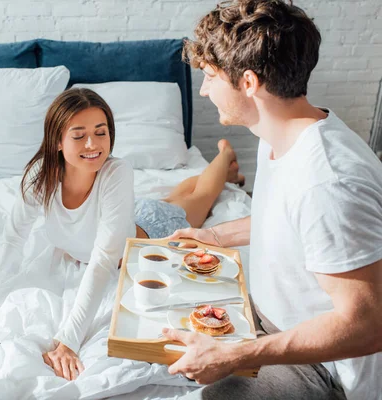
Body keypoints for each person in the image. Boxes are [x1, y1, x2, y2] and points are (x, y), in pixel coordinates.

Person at [0, 87, 247, 381]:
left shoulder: (116, 171)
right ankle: (223, 166)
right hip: (130, 211)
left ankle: (224, 157)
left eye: (101, 132)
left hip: (149, 232)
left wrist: (68, 339)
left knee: (197, 200)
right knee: (178, 195)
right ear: (56, 140)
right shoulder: (38, 177)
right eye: (79, 134)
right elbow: (12, 242)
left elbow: (103, 260)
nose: (92, 144)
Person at [163, 1, 382, 399]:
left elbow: (366, 326)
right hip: (267, 320)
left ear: (248, 83)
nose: (204, 89)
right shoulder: (280, 133)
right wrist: (212, 237)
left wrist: (237, 355)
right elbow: (286, 222)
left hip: (321, 367)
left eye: (211, 76)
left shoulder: (328, 183)